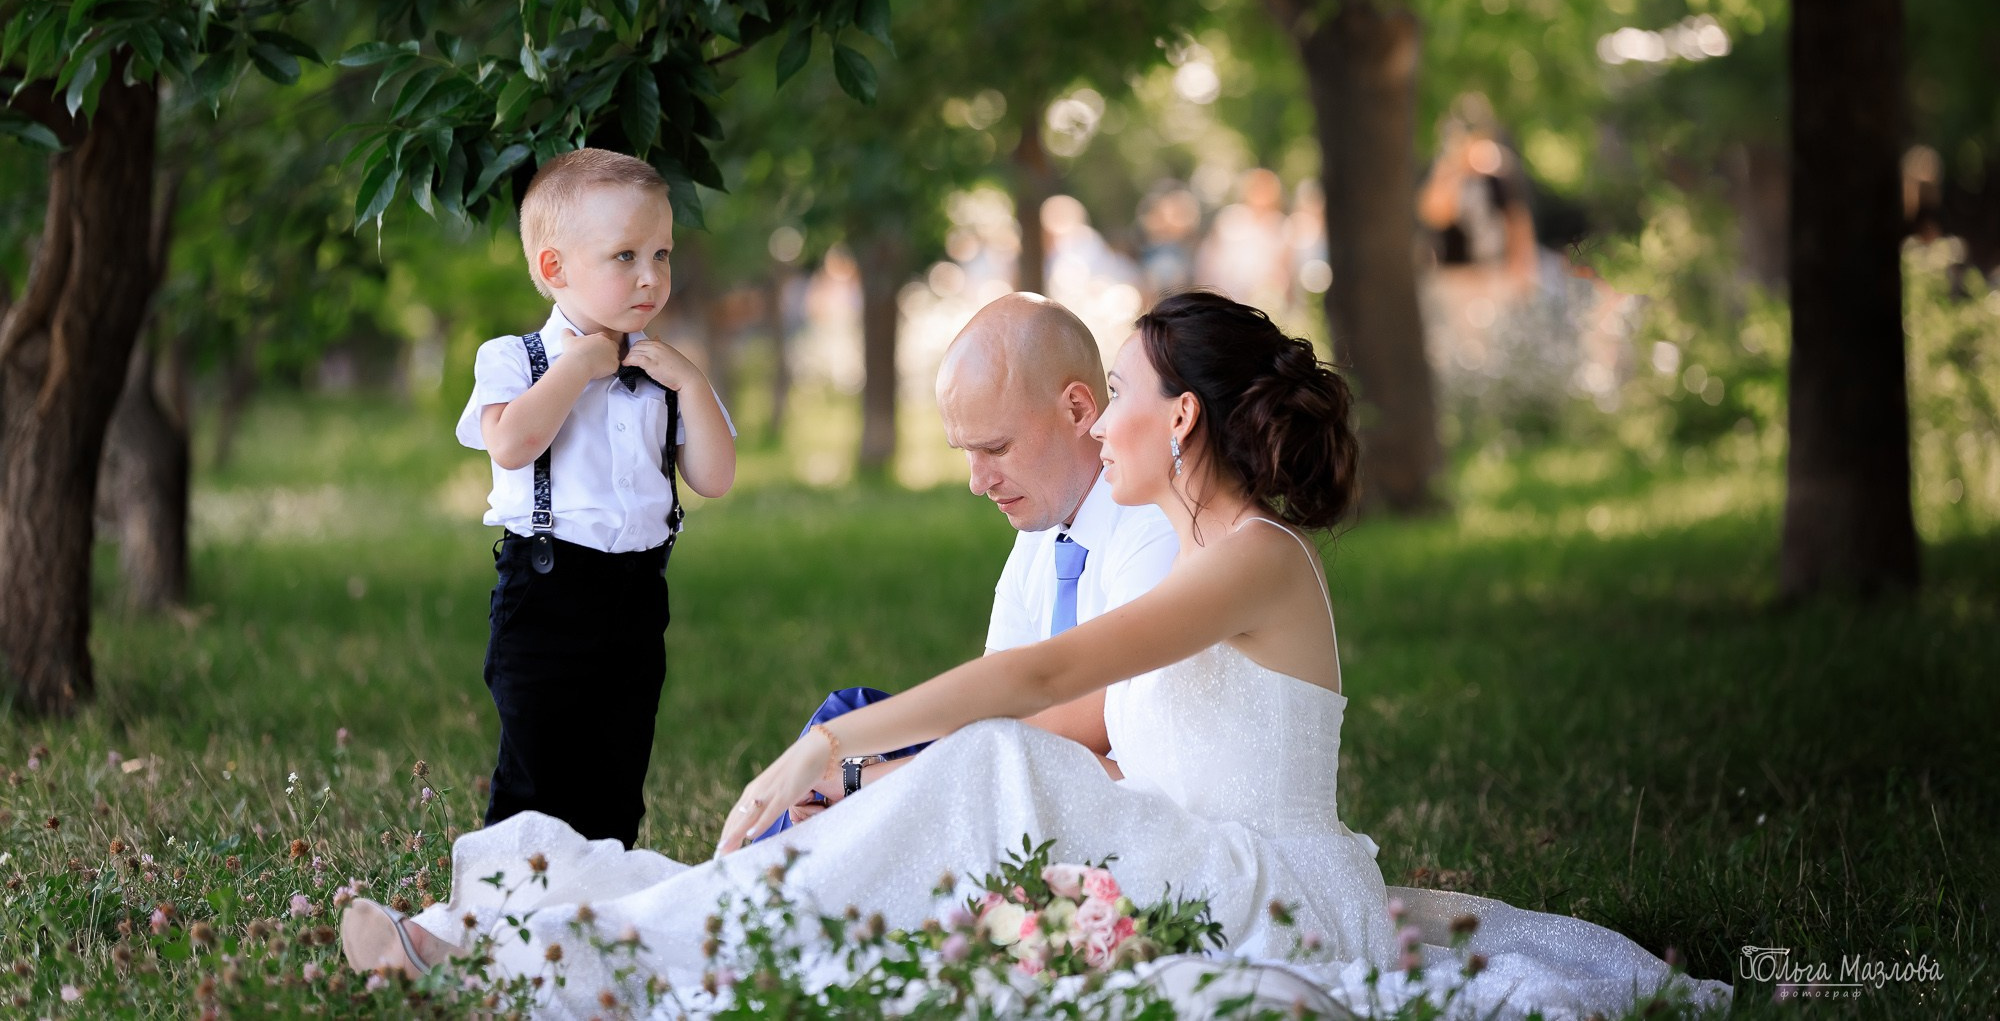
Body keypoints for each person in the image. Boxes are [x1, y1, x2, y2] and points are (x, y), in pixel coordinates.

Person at [344, 292, 1729, 1021]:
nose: (1103, 415)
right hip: (1179, 853)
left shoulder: (1250, 558)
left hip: (1261, 880)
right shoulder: (1188, 542)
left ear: (1178, 418)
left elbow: (1035, 694)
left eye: (1119, 395)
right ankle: (586, 941)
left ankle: (551, 952)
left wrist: (838, 739)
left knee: (990, 761)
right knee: (950, 815)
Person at [766, 293, 1179, 832]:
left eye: (997, 448)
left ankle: (771, 882)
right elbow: (994, 695)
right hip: (1022, 762)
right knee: (848, 716)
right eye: (966, 452)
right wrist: (861, 764)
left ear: (1078, 410)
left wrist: (873, 778)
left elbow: (1094, 724)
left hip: (1102, 789)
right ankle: (777, 866)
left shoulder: (1153, 524)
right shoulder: (1043, 531)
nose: (977, 482)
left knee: (860, 770)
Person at [457, 149, 737, 849]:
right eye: (626, 256)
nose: (652, 275)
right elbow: (512, 443)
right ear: (556, 269)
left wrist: (694, 386)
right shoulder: (514, 359)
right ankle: (507, 902)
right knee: (538, 764)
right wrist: (577, 365)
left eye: (663, 253)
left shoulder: (664, 369)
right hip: (545, 589)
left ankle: (602, 896)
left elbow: (715, 475)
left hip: (637, 596)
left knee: (618, 763)